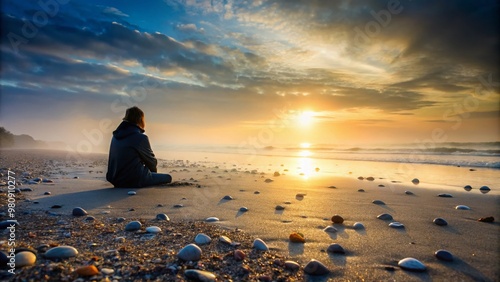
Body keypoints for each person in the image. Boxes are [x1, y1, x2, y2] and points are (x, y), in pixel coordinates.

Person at [106, 106, 172, 188]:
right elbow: (151, 162)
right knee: (168, 177)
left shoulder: (115, 136)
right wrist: (152, 174)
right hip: (134, 180)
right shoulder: (141, 138)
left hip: (115, 180)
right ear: (141, 119)